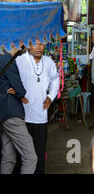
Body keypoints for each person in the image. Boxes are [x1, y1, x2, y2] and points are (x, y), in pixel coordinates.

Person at [15, 39, 59, 174]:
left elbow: (55, 79)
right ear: (29, 45)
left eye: (42, 44)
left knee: (39, 153)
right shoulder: (19, 60)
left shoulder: (49, 62)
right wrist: (14, 91)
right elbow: (9, 78)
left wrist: (50, 97)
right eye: (35, 44)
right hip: (22, 116)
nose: (39, 47)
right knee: (21, 155)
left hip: (40, 116)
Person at [0, 50, 37, 174]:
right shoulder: (7, 60)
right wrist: (18, 91)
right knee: (30, 157)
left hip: (4, 114)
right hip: (12, 114)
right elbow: (20, 90)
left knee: (8, 157)